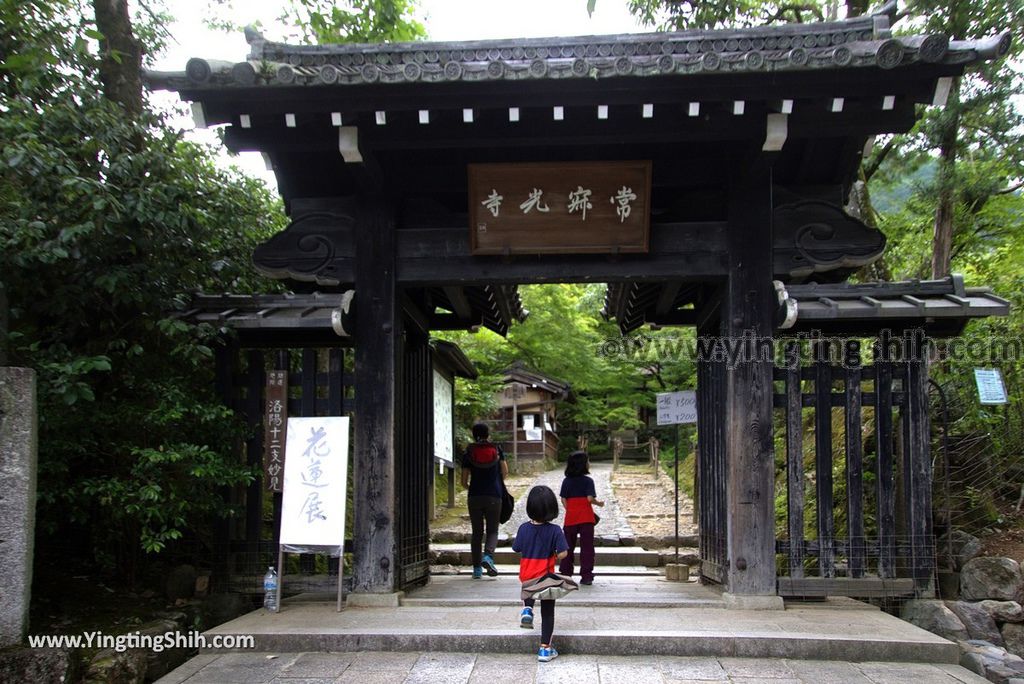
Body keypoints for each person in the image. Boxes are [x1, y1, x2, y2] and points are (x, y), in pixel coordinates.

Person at [512, 485, 570, 662]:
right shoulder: (554, 531)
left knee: (529, 590)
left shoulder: (523, 528)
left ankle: (527, 609)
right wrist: (553, 553)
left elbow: (516, 548)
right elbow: (563, 553)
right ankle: (545, 649)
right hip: (545, 576)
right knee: (547, 612)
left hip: (528, 572)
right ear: (552, 508)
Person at [460, 422, 508, 579]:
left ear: (474, 435)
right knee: (492, 530)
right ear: (488, 434)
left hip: (474, 496)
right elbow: (505, 471)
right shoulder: (496, 449)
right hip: (494, 495)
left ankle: (476, 570)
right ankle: (488, 556)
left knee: (477, 533)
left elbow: (463, 480)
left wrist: (470, 487)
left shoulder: (469, 452)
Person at [559, 450, 604, 585]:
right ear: (583, 464)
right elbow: (590, 498)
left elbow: (563, 500)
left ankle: (566, 573)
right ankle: (587, 575)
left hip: (571, 517)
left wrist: (571, 509)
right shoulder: (588, 481)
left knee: (568, 546)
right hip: (586, 517)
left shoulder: (566, 481)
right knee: (587, 547)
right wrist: (599, 503)